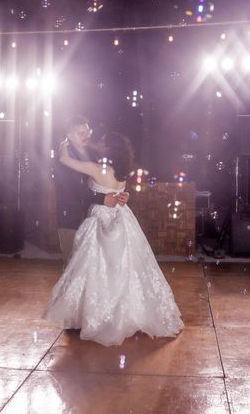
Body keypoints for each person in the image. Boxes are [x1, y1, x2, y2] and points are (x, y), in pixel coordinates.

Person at [44, 132, 184, 346]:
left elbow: (64, 160)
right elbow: (116, 192)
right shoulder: (122, 172)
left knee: (96, 268)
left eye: (103, 142)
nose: (99, 143)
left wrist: (64, 142)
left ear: (108, 149)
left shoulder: (96, 169)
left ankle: (99, 317)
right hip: (122, 215)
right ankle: (125, 314)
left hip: (101, 218)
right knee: (124, 269)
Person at [53, 115, 128, 266]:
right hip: (73, 218)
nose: (87, 136)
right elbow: (73, 190)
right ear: (69, 135)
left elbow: (109, 178)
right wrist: (103, 198)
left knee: (95, 267)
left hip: (95, 217)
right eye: (81, 133)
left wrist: (122, 194)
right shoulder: (64, 157)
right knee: (73, 266)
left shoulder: (93, 154)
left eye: (88, 132)